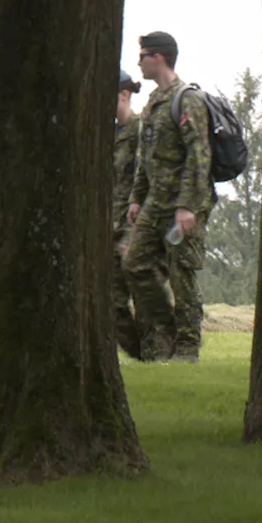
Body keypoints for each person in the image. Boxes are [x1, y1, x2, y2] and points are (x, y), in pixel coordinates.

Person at [124, 31, 215, 363]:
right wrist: (136, 198)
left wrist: (188, 205)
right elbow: (144, 157)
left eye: (143, 55)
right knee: (134, 264)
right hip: (154, 203)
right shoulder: (152, 103)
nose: (139, 62)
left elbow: (200, 153)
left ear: (158, 57)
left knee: (182, 274)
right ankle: (165, 335)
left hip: (183, 205)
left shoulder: (186, 98)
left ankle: (187, 349)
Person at [113, 70, 144, 359]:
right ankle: (139, 356)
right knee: (114, 302)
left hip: (132, 228)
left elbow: (144, 185)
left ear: (124, 95)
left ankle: (157, 352)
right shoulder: (105, 135)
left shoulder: (140, 131)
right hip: (107, 229)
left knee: (144, 296)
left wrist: (132, 235)